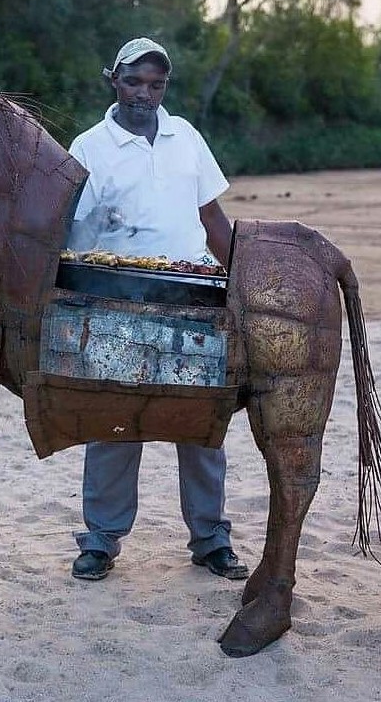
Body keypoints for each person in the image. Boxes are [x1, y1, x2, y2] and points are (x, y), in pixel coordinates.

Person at [66, 36, 249, 582]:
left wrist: (239, 278)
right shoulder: (88, 148)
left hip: (192, 294)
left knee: (200, 422)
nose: (145, 93)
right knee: (115, 423)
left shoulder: (185, 137)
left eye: (156, 83)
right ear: (113, 81)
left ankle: (211, 540)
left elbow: (214, 222)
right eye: (134, 82)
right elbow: (67, 232)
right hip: (117, 297)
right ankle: (100, 540)